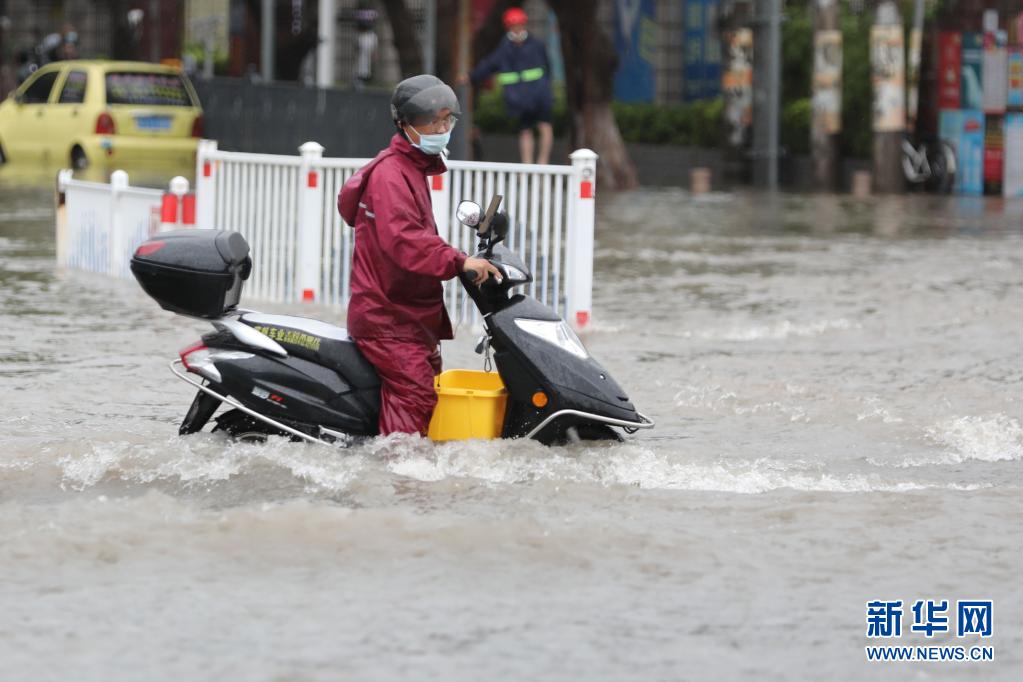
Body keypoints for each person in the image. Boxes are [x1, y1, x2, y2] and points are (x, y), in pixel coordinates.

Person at [337, 75, 501, 437]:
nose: (443, 129)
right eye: (433, 121)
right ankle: (400, 483)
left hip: (409, 316)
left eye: (448, 121)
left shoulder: (410, 169)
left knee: (426, 401)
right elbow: (406, 241)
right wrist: (459, 261)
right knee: (414, 401)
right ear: (405, 125)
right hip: (389, 319)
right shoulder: (390, 176)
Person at [464, 7, 554, 164]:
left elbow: (548, 69)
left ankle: (543, 163)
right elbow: (489, 65)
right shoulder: (504, 49)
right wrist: (470, 77)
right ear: (508, 27)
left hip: (540, 95)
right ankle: (527, 167)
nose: (517, 29)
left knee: (544, 126)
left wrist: (546, 88)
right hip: (520, 98)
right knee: (525, 131)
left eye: (519, 25)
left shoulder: (537, 45)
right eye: (513, 25)